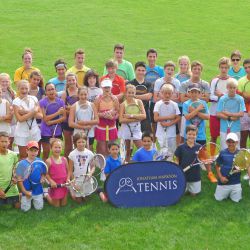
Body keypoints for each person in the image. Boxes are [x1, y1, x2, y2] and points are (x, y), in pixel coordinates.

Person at [183, 84, 217, 183]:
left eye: (196, 92)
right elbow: (187, 117)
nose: (194, 94)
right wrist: (198, 109)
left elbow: (207, 117)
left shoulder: (203, 103)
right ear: (189, 93)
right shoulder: (186, 104)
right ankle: (186, 173)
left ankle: (210, 172)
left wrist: (194, 111)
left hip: (200, 134)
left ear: (200, 93)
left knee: (204, 153)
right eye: (192, 92)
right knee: (188, 153)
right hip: (189, 134)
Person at [179, 61, 210, 143]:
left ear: (201, 71)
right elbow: (182, 99)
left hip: (200, 133)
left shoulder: (205, 84)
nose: (197, 71)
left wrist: (194, 110)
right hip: (188, 125)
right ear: (191, 70)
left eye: (199, 69)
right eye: (195, 69)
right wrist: (199, 100)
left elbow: (206, 99)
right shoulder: (184, 84)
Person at [13, 80, 42, 159]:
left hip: (34, 130)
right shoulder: (16, 102)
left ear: (29, 89)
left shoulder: (34, 98)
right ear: (18, 89)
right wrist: (33, 112)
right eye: (22, 89)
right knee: (23, 156)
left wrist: (26, 112)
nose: (24, 91)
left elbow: (40, 115)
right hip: (22, 132)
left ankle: (35, 171)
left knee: (36, 155)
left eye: (26, 88)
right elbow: (20, 119)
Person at [16, 141, 46, 212]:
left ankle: (40, 196)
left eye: (35, 151)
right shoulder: (22, 163)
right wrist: (24, 191)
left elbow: (43, 173)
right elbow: (19, 179)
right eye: (31, 150)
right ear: (27, 151)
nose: (33, 153)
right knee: (25, 210)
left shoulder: (40, 161)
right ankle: (21, 195)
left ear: (38, 151)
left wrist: (42, 178)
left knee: (39, 208)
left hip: (37, 189)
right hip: (26, 190)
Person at [118, 84, 146, 162]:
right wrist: (136, 118)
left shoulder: (139, 102)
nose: (131, 94)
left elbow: (144, 116)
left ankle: (143, 164)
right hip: (126, 129)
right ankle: (126, 167)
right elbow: (121, 120)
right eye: (129, 92)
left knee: (141, 148)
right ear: (125, 93)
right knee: (127, 152)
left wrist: (130, 116)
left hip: (136, 129)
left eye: (133, 93)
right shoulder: (123, 104)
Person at [39, 83, 66, 161]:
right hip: (45, 131)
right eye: (49, 90)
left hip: (57, 130)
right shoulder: (42, 102)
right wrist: (57, 113)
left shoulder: (61, 102)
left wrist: (51, 122)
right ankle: (44, 171)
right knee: (46, 152)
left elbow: (64, 117)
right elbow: (45, 119)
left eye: (52, 89)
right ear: (46, 92)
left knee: (57, 152)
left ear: (55, 90)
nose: (51, 91)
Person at [154, 84, 181, 159]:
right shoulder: (158, 104)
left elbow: (178, 117)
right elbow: (155, 118)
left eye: (169, 93)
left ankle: (170, 164)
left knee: (171, 151)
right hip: (160, 131)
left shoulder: (175, 104)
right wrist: (169, 117)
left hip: (171, 132)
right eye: (165, 93)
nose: (167, 95)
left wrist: (169, 124)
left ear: (172, 94)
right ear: (162, 93)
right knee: (162, 150)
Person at [217, 78, 245, 150]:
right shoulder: (222, 99)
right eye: (230, 88)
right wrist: (230, 118)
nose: (232, 89)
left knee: (236, 148)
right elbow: (218, 114)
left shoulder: (240, 99)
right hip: (224, 128)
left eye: (234, 88)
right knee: (224, 148)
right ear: (227, 88)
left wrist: (229, 114)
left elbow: (241, 114)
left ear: (236, 88)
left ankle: (236, 161)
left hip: (236, 128)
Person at [69, 87, 99, 152]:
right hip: (77, 133)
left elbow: (97, 120)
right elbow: (70, 123)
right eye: (81, 95)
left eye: (85, 94)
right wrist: (83, 127)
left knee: (89, 150)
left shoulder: (92, 105)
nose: (83, 96)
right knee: (78, 151)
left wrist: (85, 123)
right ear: (78, 95)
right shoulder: (74, 106)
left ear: (88, 94)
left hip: (90, 132)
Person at [174, 125, 202, 196]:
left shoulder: (199, 147)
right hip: (183, 174)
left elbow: (203, 159)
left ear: (196, 135)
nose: (191, 136)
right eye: (189, 134)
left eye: (194, 134)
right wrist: (177, 167)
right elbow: (176, 158)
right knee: (182, 193)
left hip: (195, 175)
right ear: (186, 135)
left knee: (193, 194)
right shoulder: (181, 147)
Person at [94, 79, 119, 156]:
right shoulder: (98, 99)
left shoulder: (115, 99)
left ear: (111, 88)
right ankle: (102, 166)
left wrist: (112, 117)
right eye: (105, 87)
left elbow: (118, 113)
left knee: (112, 149)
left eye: (108, 87)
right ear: (102, 88)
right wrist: (103, 115)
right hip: (101, 127)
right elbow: (94, 113)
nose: (107, 89)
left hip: (111, 127)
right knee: (102, 150)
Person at [214, 133, 242, 202]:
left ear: (237, 142)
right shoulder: (222, 152)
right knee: (218, 199)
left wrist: (240, 169)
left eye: (233, 142)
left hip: (236, 183)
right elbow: (217, 166)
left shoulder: (241, 154)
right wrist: (221, 178)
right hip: (223, 182)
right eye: (229, 142)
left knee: (236, 200)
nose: (231, 144)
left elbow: (244, 166)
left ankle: (232, 193)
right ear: (226, 142)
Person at [68, 132, 94, 204]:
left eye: (83, 142)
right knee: (79, 201)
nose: (81, 144)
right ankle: (71, 189)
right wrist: (73, 181)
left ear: (86, 142)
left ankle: (86, 193)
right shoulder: (72, 154)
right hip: (77, 179)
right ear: (75, 143)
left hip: (87, 179)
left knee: (86, 199)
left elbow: (93, 166)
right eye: (79, 142)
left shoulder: (90, 153)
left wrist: (90, 173)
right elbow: (70, 170)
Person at [209, 57, 231, 144]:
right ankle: (212, 157)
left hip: (226, 113)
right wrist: (218, 97)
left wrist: (221, 95)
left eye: (225, 68)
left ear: (228, 68)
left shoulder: (231, 81)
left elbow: (232, 98)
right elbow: (210, 96)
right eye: (222, 67)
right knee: (213, 137)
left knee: (227, 137)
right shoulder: (215, 81)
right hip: (214, 112)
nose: (223, 70)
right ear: (219, 68)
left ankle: (226, 156)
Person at [145, 48, 164, 144]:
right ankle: (150, 142)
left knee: (155, 123)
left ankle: (155, 143)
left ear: (156, 58)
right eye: (150, 56)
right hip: (146, 100)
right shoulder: (144, 68)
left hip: (156, 100)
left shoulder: (160, 70)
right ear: (147, 57)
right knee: (149, 123)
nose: (152, 58)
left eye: (153, 56)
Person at [128, 61, 153, 132]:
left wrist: (133, 96)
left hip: (145, 113)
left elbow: (148, 96)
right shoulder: (130, 83)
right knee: (130, 137)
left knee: (145, 136)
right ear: (135, 71)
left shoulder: (149, 84)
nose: (141, 72)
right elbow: (127, 97)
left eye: (143, 70)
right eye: (139, 70)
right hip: (131, 112)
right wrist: (141, 97)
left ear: (145, 72)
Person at [45, 139, 69, 207]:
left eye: (59, 147)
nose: (57, 149)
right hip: (55, 185)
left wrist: (68, 179)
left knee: (64, 204)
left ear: (62, 148)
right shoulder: (49, 161)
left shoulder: (64, 159)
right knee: (56, 206)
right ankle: (46, 195)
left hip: (63, 185)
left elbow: (68, 171)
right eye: (55, 147)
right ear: (51, 148)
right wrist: (51, 181)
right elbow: (46, 174)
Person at [61, 73, 79, 158]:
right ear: (67, 82)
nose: (71, 82)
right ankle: (66, 164)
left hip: (78, 121)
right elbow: (62, 108)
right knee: (68, 146)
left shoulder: (80, 91)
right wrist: (73, 110)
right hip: (67, 122)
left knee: (78, 144)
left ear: (76, 80)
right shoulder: (65, 93)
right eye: (69, 80)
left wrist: (70, 108)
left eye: (73, 80)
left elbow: (83, 106)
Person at [0, 132, 19, 208]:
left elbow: (15, 168)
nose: (4, 144)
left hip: (12, 187)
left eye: (6, 141)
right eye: (2, 141)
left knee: (18, 207)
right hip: (0, 188)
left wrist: (15, 177)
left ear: (9, 142)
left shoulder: (13, 155)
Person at [0, 73, 15, 149]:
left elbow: (14, 106)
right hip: (3, 121)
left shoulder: (12, 92)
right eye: (2, 81)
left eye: (6, 81)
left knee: (9, 142)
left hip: (11, 121)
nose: (5, 83)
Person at [237, 59, 250, 149]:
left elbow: (246, 98)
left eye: (249, 67)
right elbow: (241, 100)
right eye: (245, 68)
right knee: (243, 139)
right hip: (244, 113)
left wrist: (247, 96)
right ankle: (242, 162)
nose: (247, 69)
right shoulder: (241, 81)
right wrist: (243, 96)